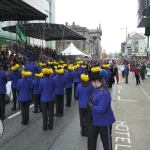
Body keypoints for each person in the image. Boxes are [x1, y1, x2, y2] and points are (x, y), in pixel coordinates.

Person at [87, 69, 115, 150]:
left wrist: (91, 105)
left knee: (106, 144)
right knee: (91, 137)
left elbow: (101, 109)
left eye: (92, 82)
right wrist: (91, 101)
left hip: (104, 122)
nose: (91, 84)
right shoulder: (97, 89)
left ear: (96, 81)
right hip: (96, 120)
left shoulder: (103, 93)